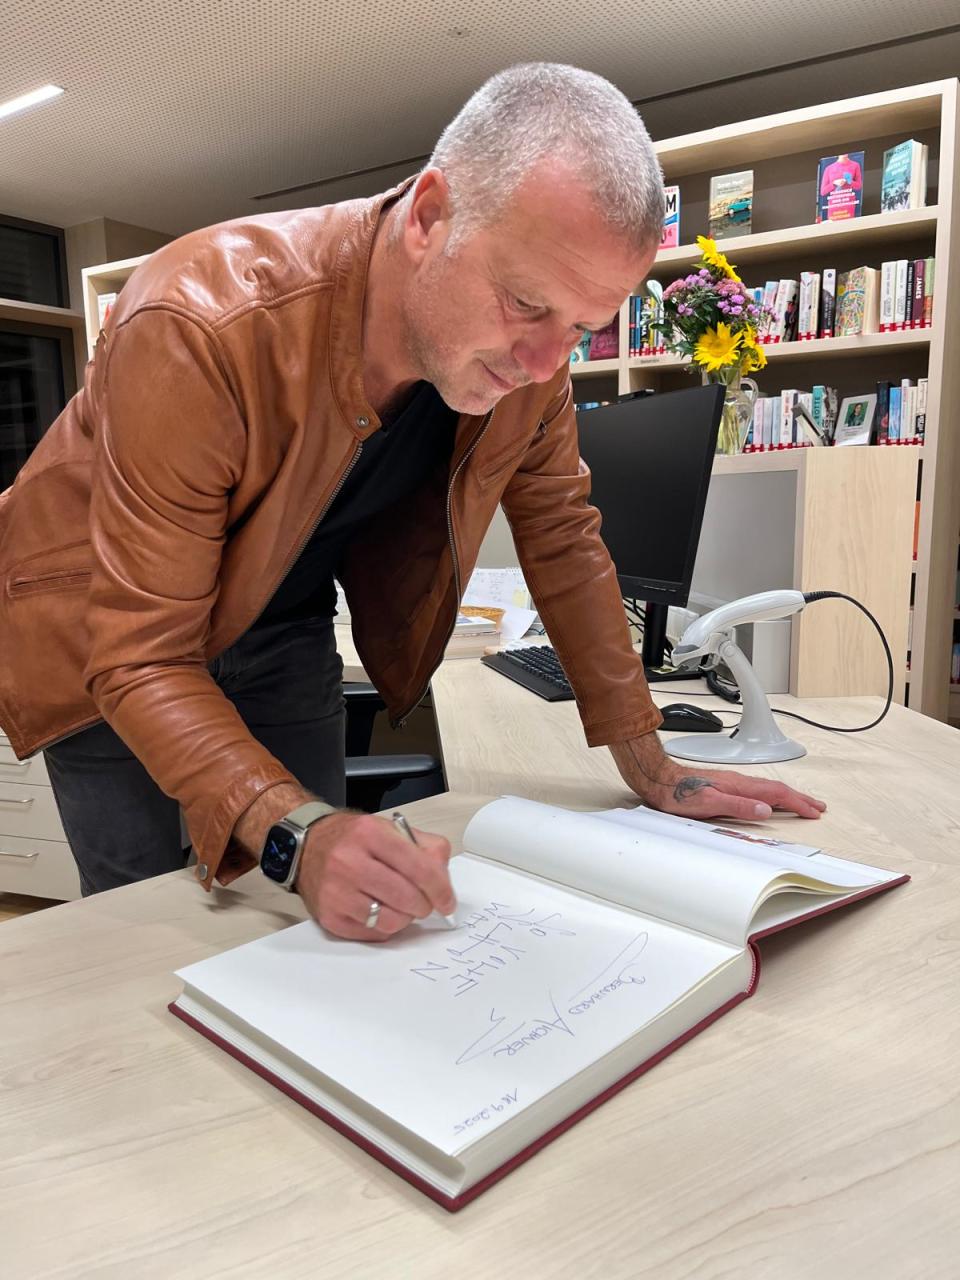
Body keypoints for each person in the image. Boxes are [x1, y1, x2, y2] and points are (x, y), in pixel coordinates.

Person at [0, 63, 824, 939]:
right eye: (525, 303)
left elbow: (562, 535)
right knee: (146, 926)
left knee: (305, 909)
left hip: (281, 625)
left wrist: (648, 758)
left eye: (580, 328)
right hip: (101, 633)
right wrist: (298, 835)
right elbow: (142, 656)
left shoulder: (529, 366)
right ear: (429, 216)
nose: (547, 363)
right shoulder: (196, 324)